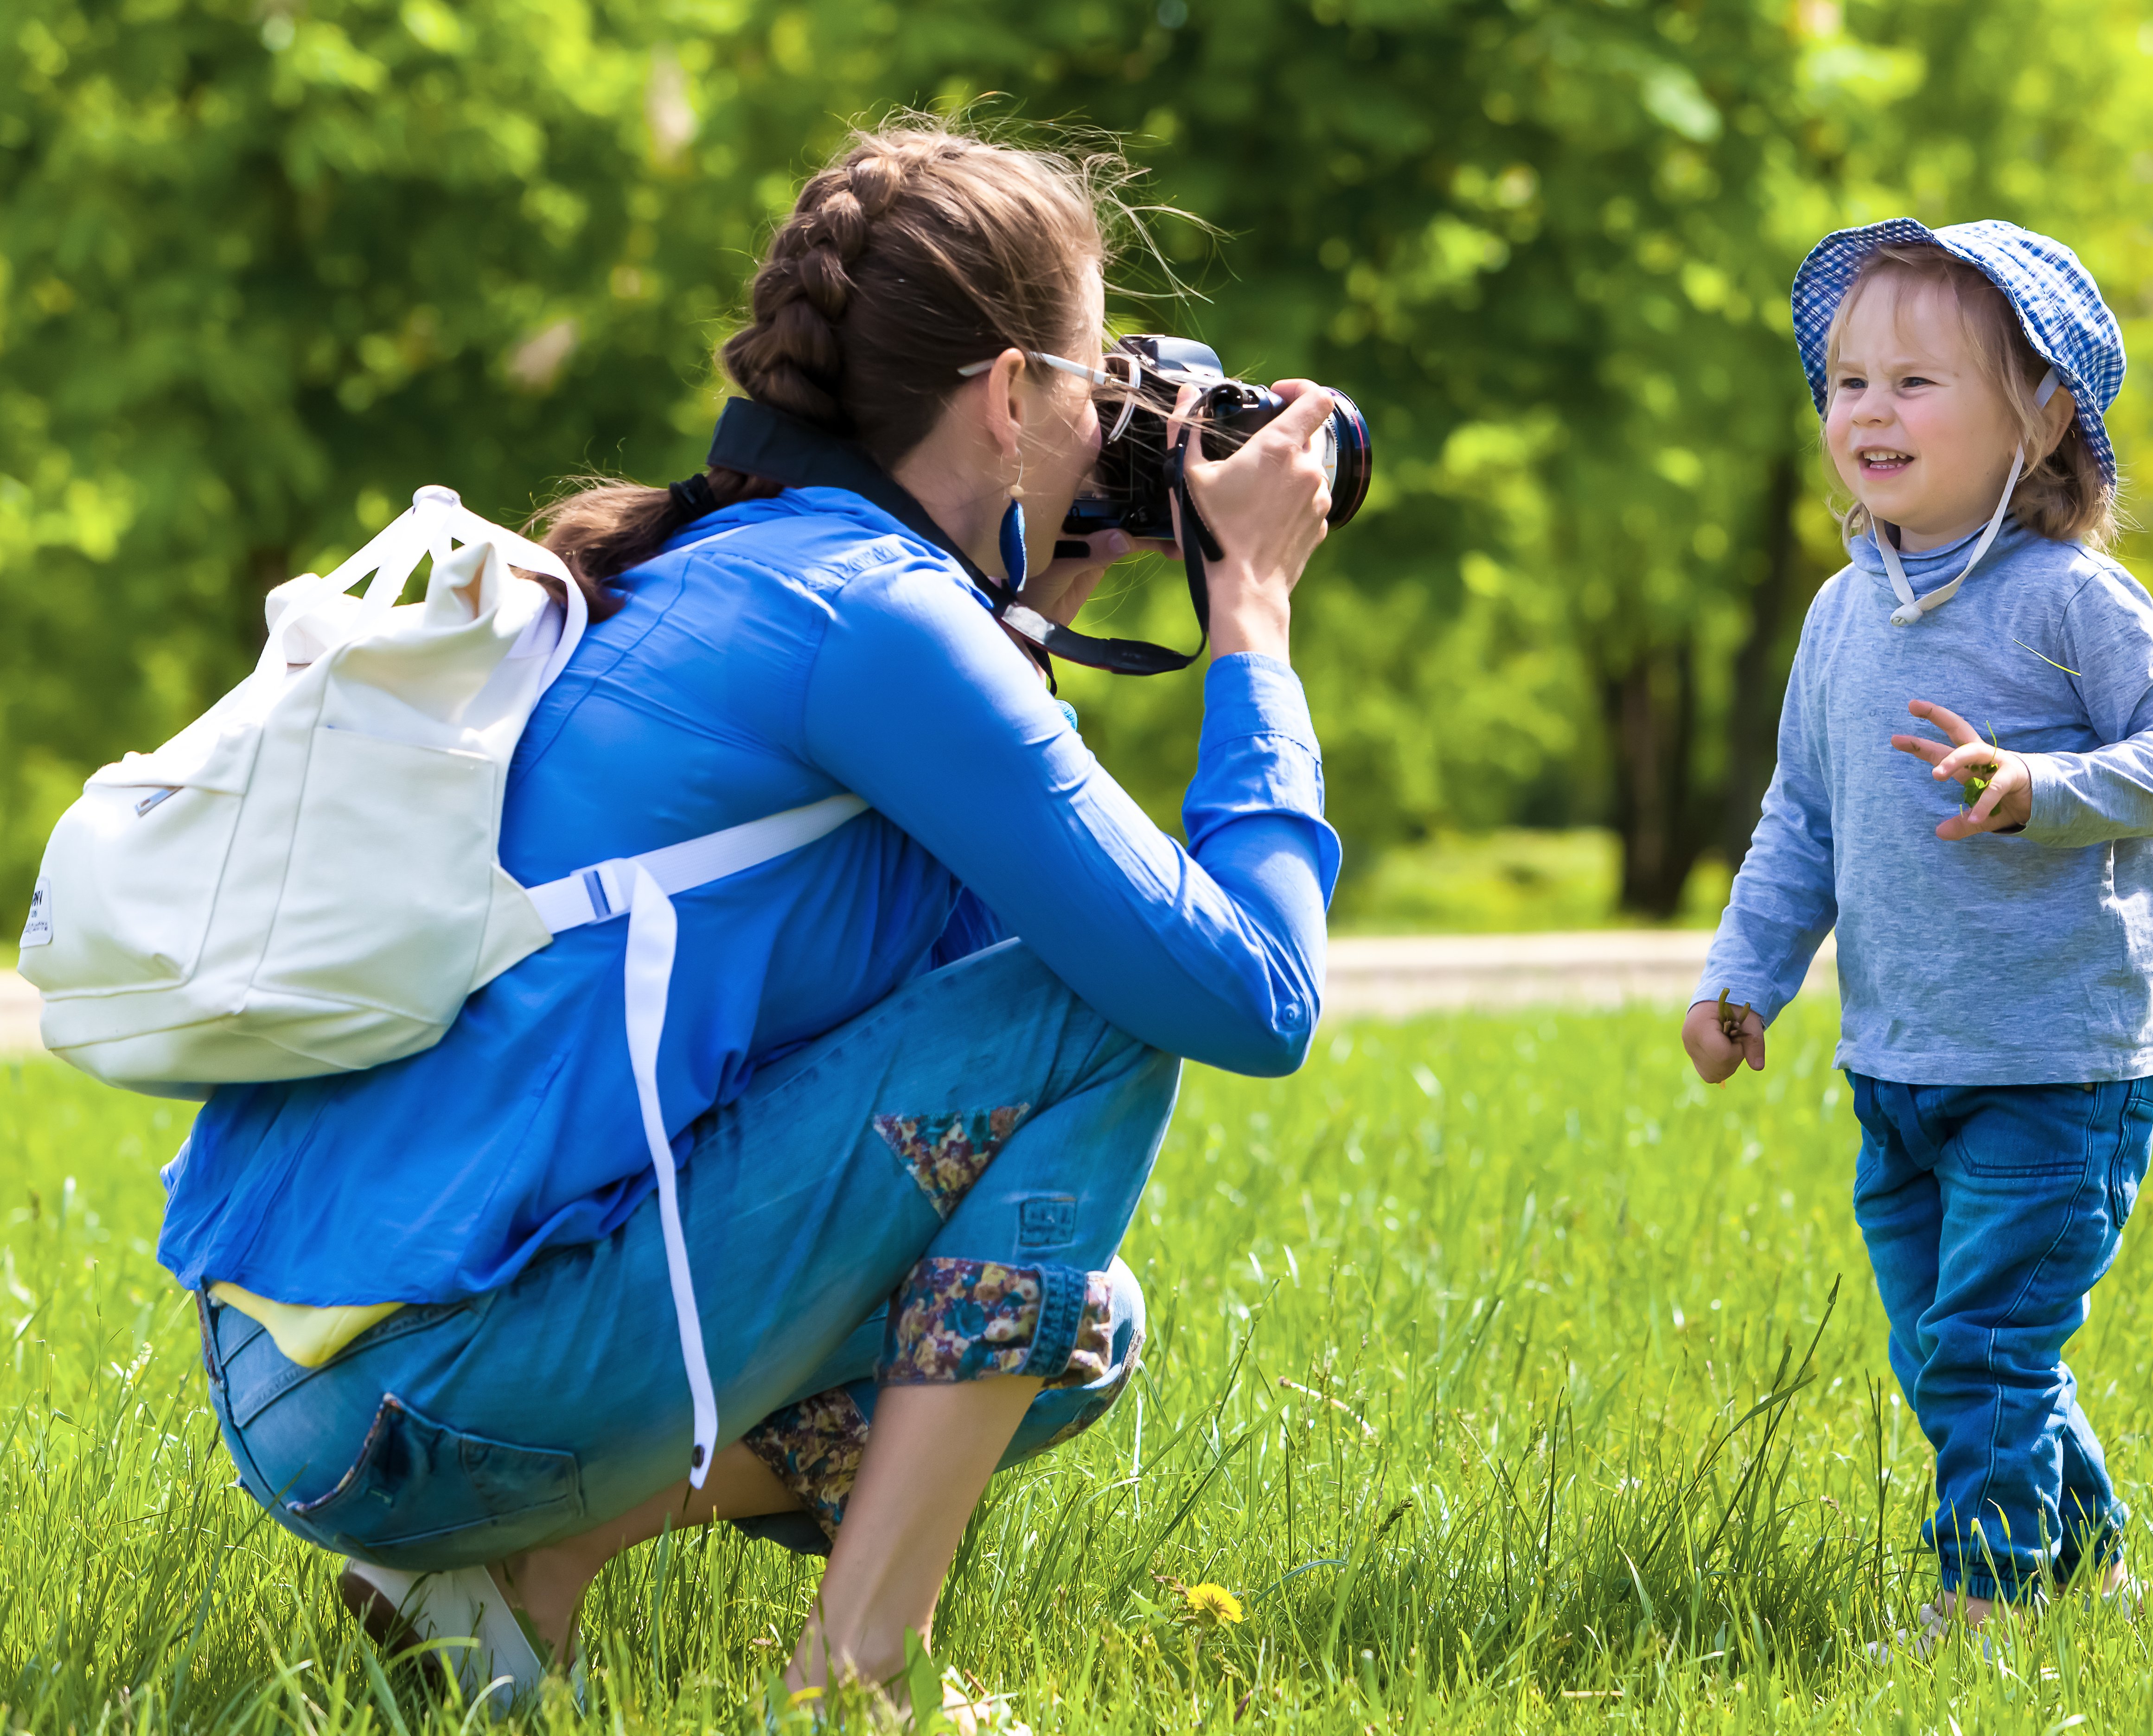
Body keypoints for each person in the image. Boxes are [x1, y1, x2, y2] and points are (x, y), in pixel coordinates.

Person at [158, 116, 1343, 1713]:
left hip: (304, 1382)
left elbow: (927, 1032)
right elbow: (1246, 991)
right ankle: (858, 1677)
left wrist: (1039, 612)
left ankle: (524, 1572)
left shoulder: (747, 566)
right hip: (424, 1385)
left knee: (1076, 1328)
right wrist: (1253, 621)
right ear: (1008, 399)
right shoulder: (878, 623)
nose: (1107, 421)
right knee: (1103, 1006)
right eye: (1090, 385)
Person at [1680, 220, 2153, 1644]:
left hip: (2059, 1061)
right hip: (1902, 1058)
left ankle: (1985, 1604)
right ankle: (2094, 1573)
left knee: (1991, 1347)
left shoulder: (2070, 602)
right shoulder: (1839, 613)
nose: (1869, 408)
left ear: (2041, 420)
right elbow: (1801, 821)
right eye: (1847, 380)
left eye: (1916, 383)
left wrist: (2045, 787)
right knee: (1952, 1355)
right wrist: (1743, 981)